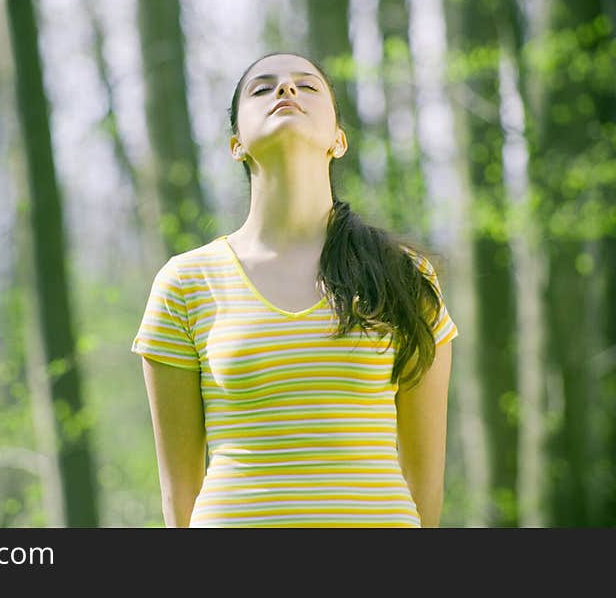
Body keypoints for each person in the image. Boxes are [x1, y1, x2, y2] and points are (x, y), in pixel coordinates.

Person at [131, 52, 459, 527]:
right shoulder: (185, 283)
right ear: (236, 144)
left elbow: (424, 480)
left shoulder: (403, 274)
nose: (285, 90)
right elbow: (180, 491)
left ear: (339, 141)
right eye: (262, 88)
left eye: (307, 86)